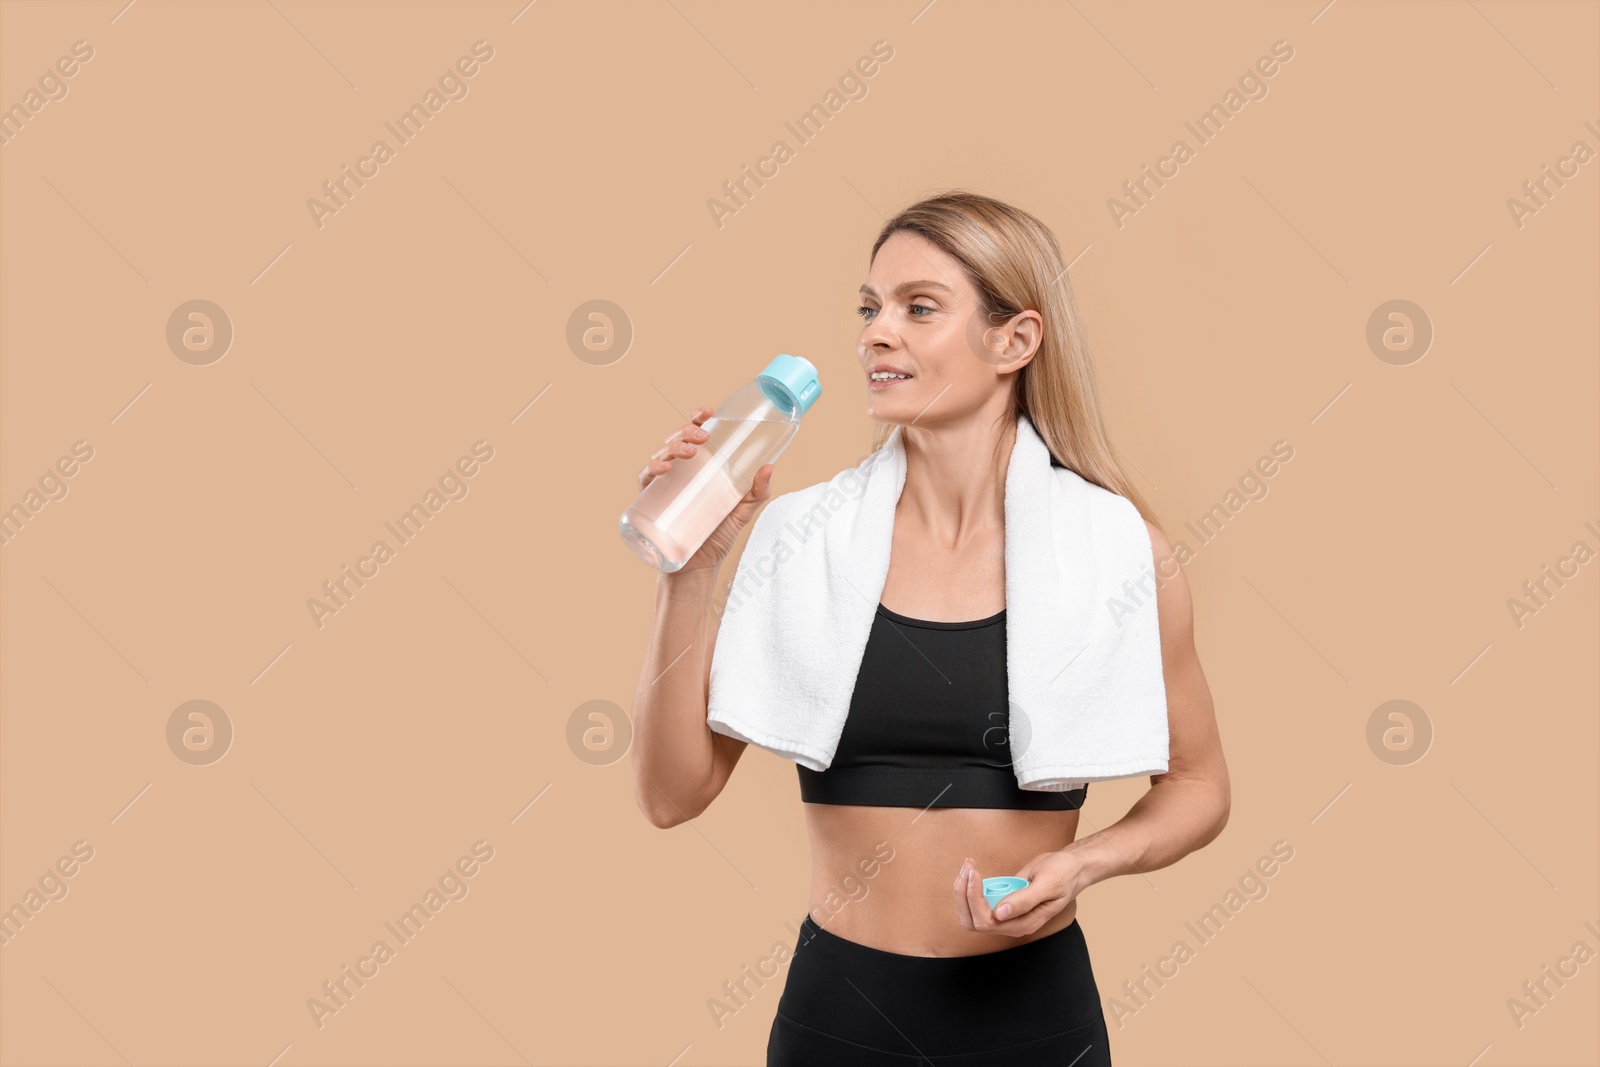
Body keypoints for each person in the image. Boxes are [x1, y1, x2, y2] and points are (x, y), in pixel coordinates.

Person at [629, 190, 1229, 1066]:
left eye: (919, 308)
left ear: (1014, 341)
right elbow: (668, 796)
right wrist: (693, 569)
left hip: (1034, 1019)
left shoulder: (1123, 555)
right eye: (870, 308)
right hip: (840, 1018)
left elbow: (1200, 785)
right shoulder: (799, 538)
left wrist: (1088, 862)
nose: (877, 332)